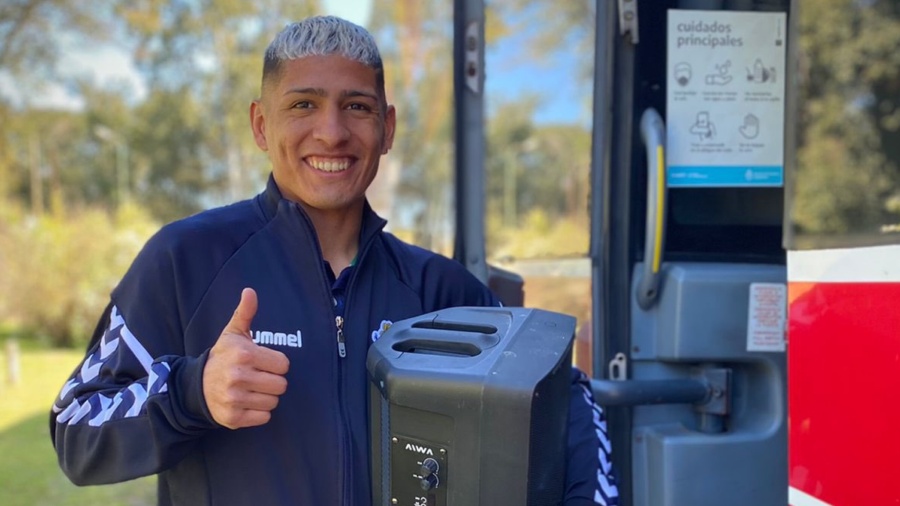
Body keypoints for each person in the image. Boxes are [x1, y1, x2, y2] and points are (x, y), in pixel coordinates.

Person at [49, 15, 619, 506]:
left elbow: (565, 404)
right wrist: (192, 394)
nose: (332, 132)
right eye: (303, 105)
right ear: (260, 125)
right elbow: (75, 432)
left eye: (357, 107)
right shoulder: (186, 261)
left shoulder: (440, 291)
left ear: (387, 128)